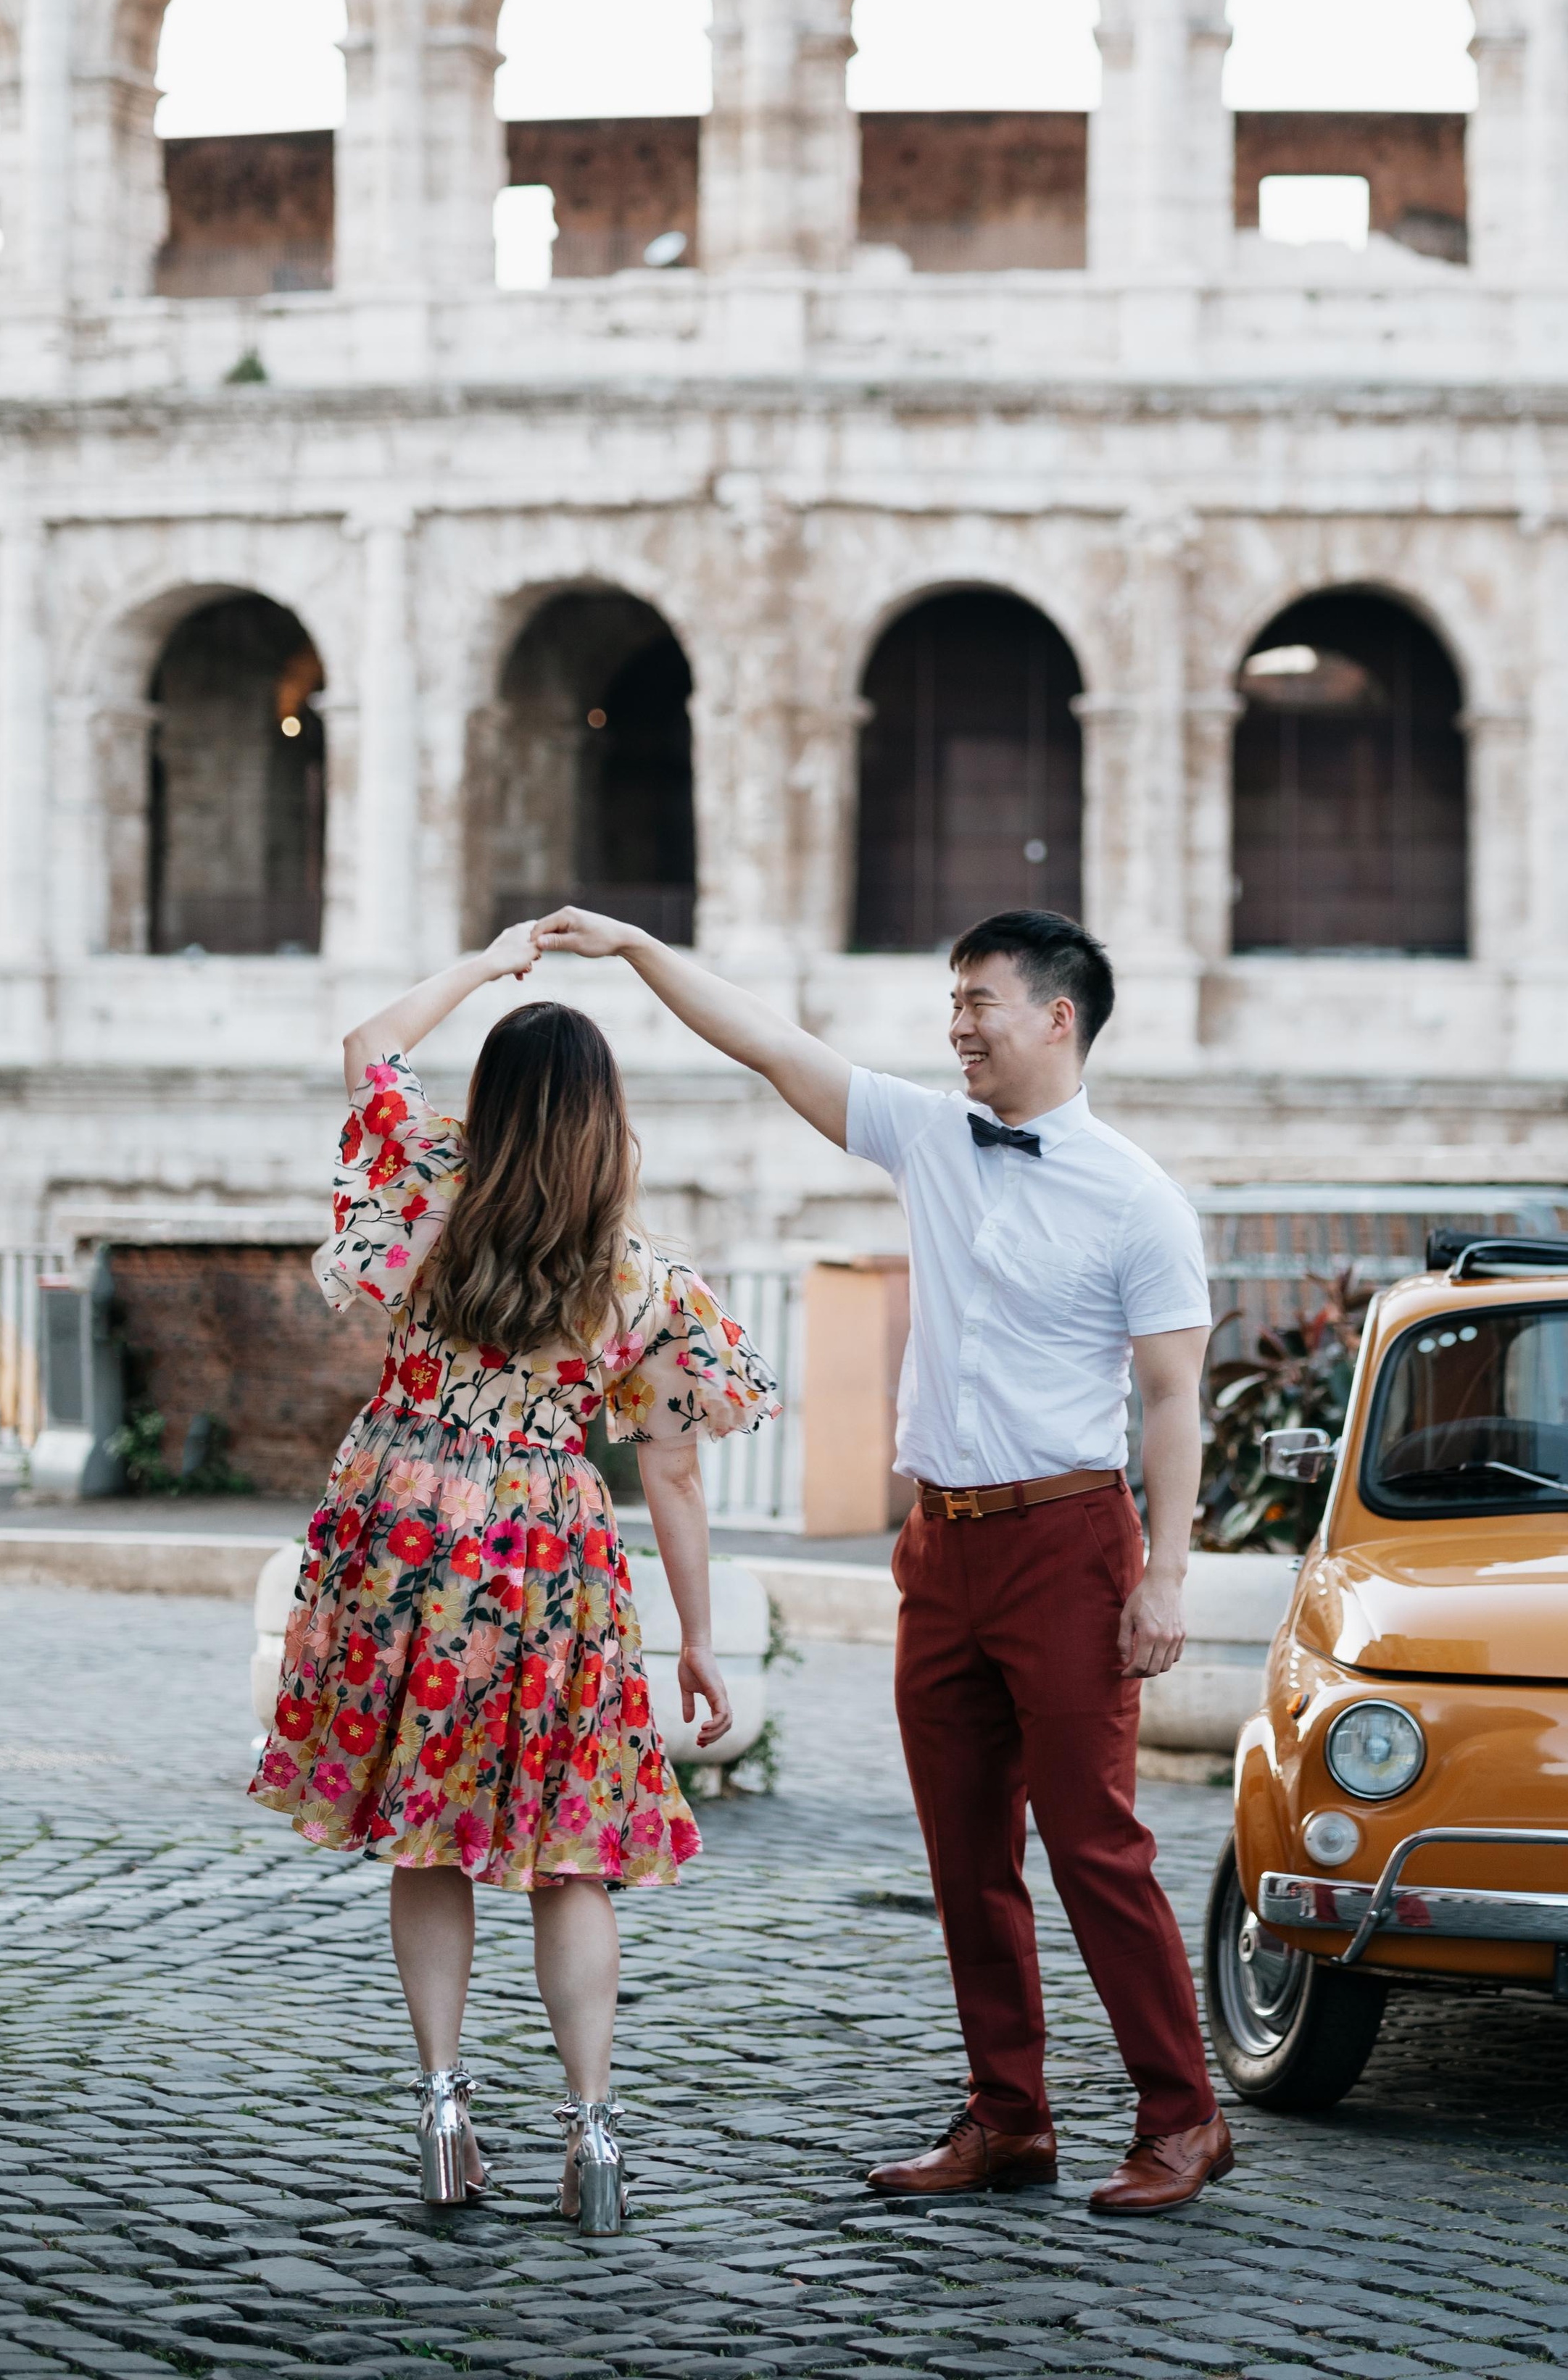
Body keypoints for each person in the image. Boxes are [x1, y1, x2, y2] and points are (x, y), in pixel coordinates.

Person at [531, 901, 1232, 2215]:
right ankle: (1008, 2120)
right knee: (964, 1854)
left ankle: (1184, 2120)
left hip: (1073, 1539)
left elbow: (1175, 1400)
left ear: (1058, 1018)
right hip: (942, 1548)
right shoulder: (926, 1132)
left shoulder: (1139, 1197)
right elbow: (769, 1044)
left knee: (1097, 1846)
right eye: (952, 1003)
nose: (957, 1026)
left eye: (981, 1003)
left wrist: (1168, 1573)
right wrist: (637, 950)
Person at [247, 927, 779, 2231]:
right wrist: (695, 1639)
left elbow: (370, 1044)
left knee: (426, 1828)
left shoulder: (433, 1185)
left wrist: (488, 965)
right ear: (608, 1122)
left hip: (406, 1525)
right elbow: (675, 1477)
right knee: (571, 1852)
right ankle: (592, 2137)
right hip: (551, 1548)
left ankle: (441, 2111)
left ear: (489, 1103)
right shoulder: (645, 1279)